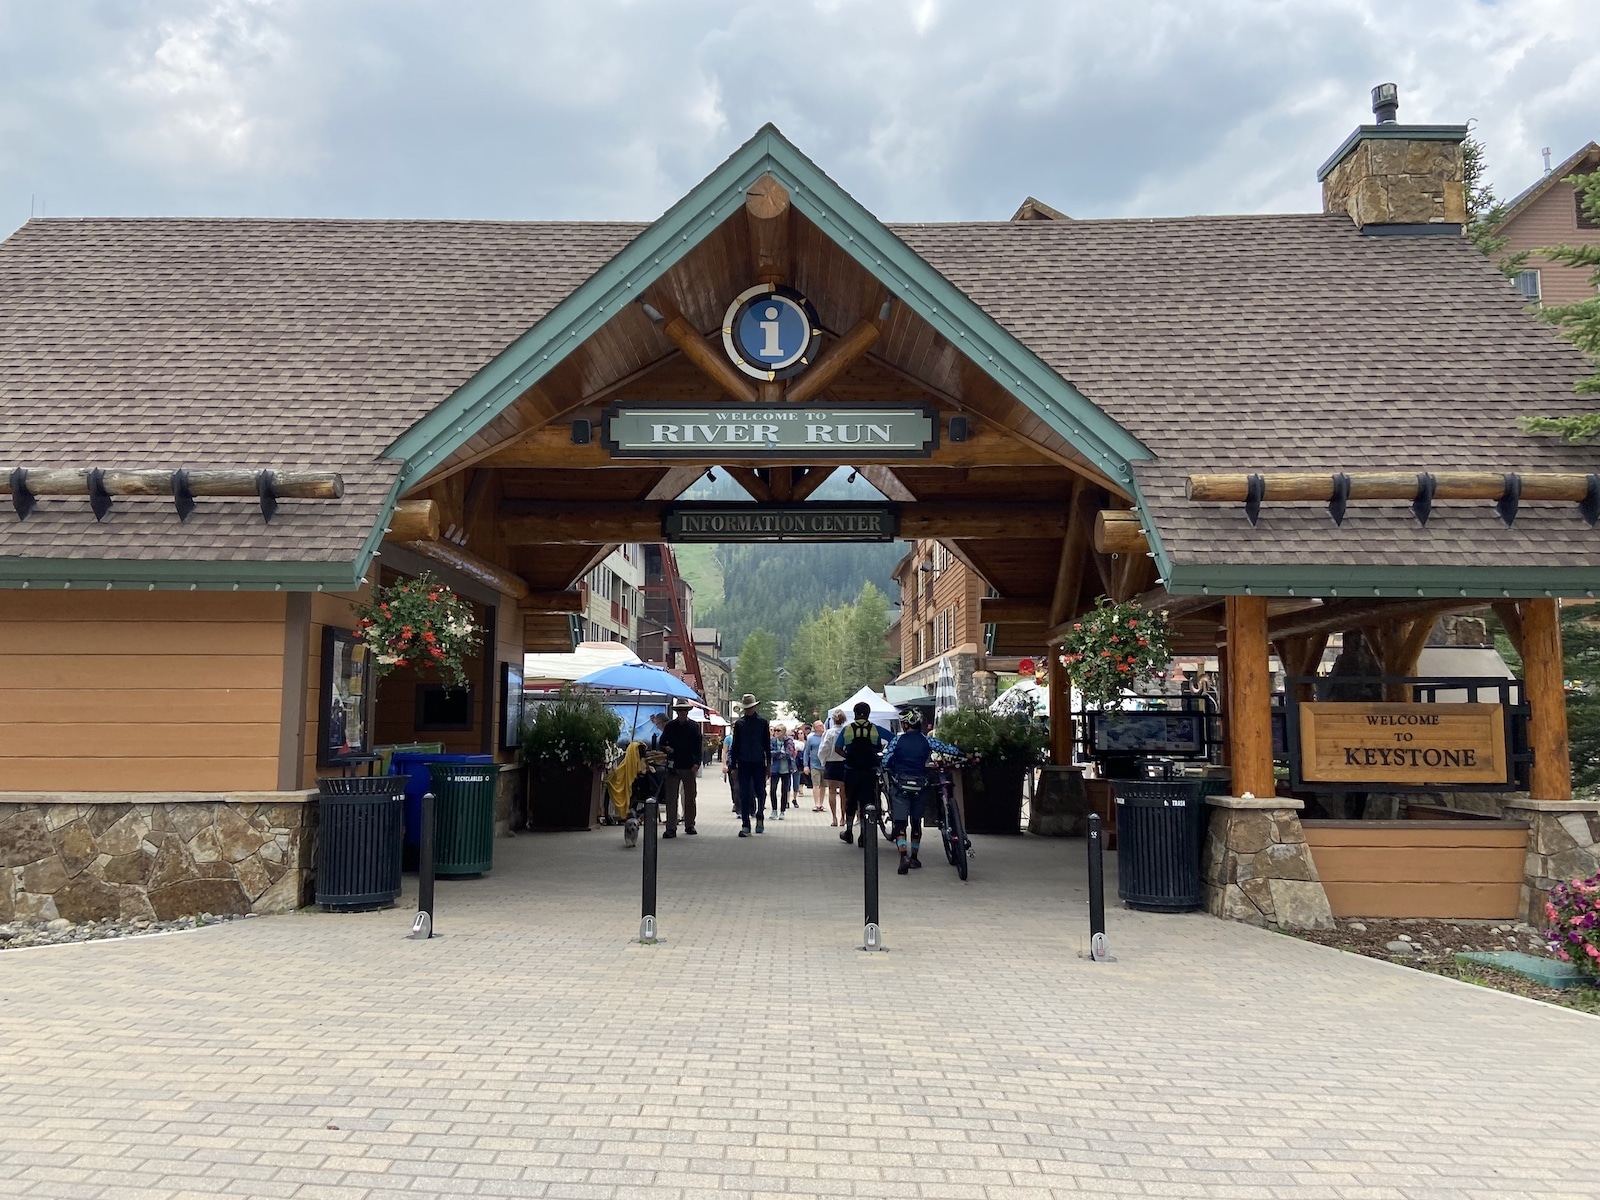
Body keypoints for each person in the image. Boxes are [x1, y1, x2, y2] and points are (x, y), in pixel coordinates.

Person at [883, 708, 935, 873]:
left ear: (905, 724)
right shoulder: (927, 741)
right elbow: (948, 749)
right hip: (920, 785)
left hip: (900, 786)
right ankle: (915, 857)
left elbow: (886, 761)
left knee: (900, 823)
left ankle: (903, 855)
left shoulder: (897, 741)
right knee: (916, 822)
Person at [838, 701, 885, 845]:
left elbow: (837, 748)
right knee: (867, 803)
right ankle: (864, 835)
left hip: (851, 770)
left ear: (855, 713)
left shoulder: (847, 729)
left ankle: (849, 831)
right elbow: (893, 739)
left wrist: (848, 757)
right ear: (869, 714)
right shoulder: (875, 729)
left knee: (850, 801)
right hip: (869, 772)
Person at [728, 693, 771, 836]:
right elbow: (735, 745)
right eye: (746, 708)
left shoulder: (763, 723)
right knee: (744, 794)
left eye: (750, 708)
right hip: (744, 762)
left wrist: (768, 765)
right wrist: (732, 765)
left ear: (754, 707)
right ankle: (745, 824)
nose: (748, 711)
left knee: (760, 791)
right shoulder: (739, 724)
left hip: (758, 762)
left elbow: (766, 745)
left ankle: (760, 816)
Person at [658, 699, 701, 837]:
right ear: (677, 712)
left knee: (690, 797)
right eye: (680, 710)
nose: (682, 713)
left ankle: (690, 824)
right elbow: (662, 742)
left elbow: (698, 746)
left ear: (687, 712)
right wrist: (666, 748)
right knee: (671, 798)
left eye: (684, 710)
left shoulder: (694, 726)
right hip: (673, 765)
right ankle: (671, 827)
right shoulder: (670, 726)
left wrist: (697, 763)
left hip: (689, 766)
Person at [819, 709, 847, 826]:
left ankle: (834, 818)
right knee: (843, 792)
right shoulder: (846, 732)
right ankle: (843, 817)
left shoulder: (828, 733)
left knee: (831, 791)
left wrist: (823, 761)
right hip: (843, 762)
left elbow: (823, 748)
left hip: (831, 762)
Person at [804, 721, 825, 812]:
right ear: (815, 728)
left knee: (823, 785)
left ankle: (821, 803)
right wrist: (805, 765)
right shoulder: (811, 739)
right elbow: (806, 752)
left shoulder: (826, 737)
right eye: (820, 726)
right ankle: (816, 804)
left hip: (824, 765)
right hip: (814, 765)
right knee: (816, 785)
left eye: (822, 725)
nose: (822, 727)